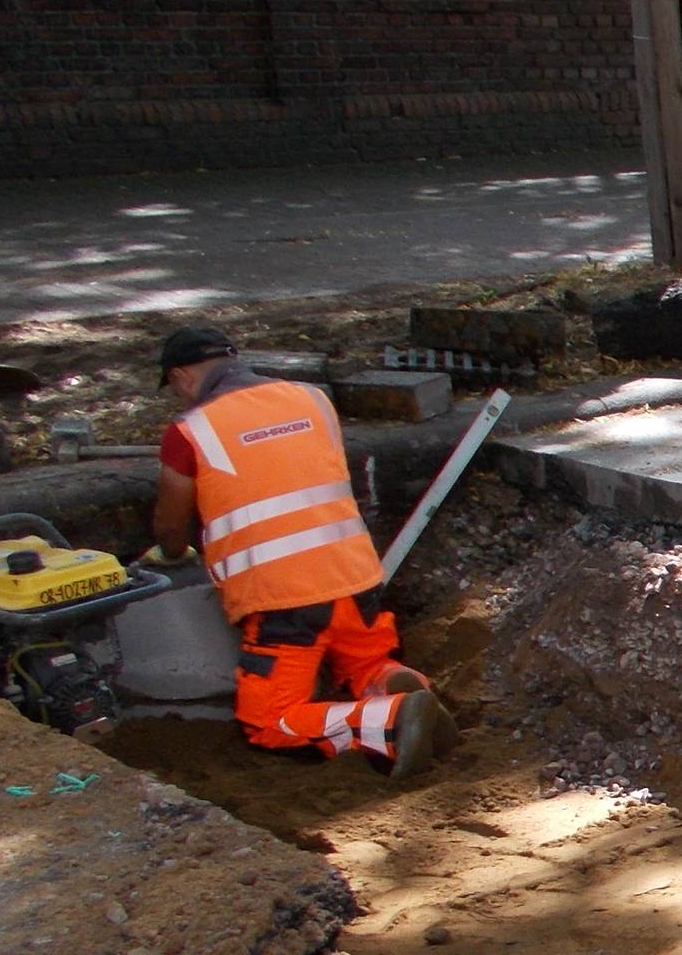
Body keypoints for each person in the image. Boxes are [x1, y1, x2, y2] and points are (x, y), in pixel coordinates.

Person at [144, 326, 456, 777]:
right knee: (363, 662)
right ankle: (396, 685)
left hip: (285, 602)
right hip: (356, 578)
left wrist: (171, 554)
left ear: (182, 377)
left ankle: (390, 721)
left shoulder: (189, 432)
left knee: (270, 720)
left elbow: (171, 527)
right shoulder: (312, 400)